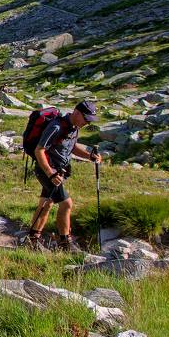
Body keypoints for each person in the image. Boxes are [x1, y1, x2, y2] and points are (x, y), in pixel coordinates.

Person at [26, 100, 102, 252]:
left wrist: (89, 156)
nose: (87, 122)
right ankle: (65, 243)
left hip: (58, 172)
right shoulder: (56, 126)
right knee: (66, 204)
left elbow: (71, 147)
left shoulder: (74, 127)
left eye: (89, 120)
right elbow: (39, 150)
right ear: (77, 113)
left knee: (46, 204)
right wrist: (50, 173)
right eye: (86, 118)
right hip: (47, 171)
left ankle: (32, 240)